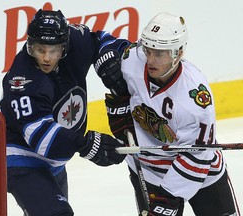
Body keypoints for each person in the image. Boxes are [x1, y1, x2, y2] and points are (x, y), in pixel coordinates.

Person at [102, 12, 240, 215]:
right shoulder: (133, 59)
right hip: (148, 170)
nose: (151, 60)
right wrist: (118, 105)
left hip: (201, 175)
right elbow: (99, 44)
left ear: (179, 52)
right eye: (149, 50)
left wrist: (169, 195)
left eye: (160, 54)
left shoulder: (195, 100)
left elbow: (197, 157)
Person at [0, 9, 130, 216]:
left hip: (56, 160)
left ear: (65, 47)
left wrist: (109, 55)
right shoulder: (22, 81)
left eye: (53, 51)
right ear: (29, 45)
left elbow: (100, 40)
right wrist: (87, 144)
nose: (46, 58)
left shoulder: (76, 41)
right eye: (39, 50)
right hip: (20, 157)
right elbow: (41, 138)